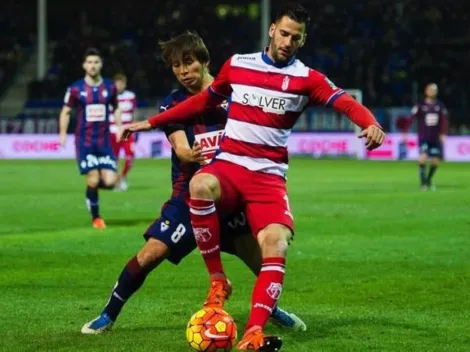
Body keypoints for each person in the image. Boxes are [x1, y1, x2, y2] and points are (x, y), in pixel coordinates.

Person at [122, 4, 385, 350]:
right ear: (272, 29)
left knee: (276, 244)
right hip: (229, 166)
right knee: (200, 185)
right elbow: (201, 103)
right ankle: (218, 280)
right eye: (285, 33)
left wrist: (370, 122)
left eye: (297, 37)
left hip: (268, 179)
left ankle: (253, 333)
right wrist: (152, 122)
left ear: (302, 40)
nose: (288, 41)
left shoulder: (308, 79)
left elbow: (345, 102)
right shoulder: (238, 64)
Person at [81, 31, 306, 335]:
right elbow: (182, 149)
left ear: (204, 60)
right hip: (190, 200)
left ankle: (273, 311)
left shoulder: (236, 95)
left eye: (188, 63)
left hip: (233, 198)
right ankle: (107, 315)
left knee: (264, 262)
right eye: (176, 66)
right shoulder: (173, 103)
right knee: (151, 253)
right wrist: (188, 152)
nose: (183, 71)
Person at [59, 47, 121, 229]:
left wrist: (119, 127)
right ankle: (96, 217)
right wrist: (62, 133)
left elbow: (116, 107)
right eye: (89, 62)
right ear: (84, 65)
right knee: (93, 178)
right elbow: (65, 111)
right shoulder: (75, 89)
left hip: (104, 142)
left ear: (101, 64)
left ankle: (90, 191)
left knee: (110, 182)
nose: (93, 66)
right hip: (85, 142)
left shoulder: (110, 87)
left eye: (96, 62)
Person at [410, 83, 447, 191]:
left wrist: (443, 134)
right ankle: (423, 182)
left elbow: (444, 121)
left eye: (434, 90)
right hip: (424, 136)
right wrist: (406, 132)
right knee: (422, 159)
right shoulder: (420, 105)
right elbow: (411, 118)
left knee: (435, 161)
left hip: (435, 137)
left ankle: (429, 180)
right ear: (426, 91)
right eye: (430, 90)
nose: (432, 92)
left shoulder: (440, 105)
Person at [109, 73, 138, 191]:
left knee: (130, 156)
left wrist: (135, 127)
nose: (120, 85)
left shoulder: (131, 96)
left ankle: (123, 177)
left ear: (125, 84)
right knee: (114, 159)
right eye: (117, 83)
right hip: (112, 132)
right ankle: (116, 181)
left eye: (122, 83)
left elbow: (134, 113)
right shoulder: (109, 96)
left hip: (127, 132)